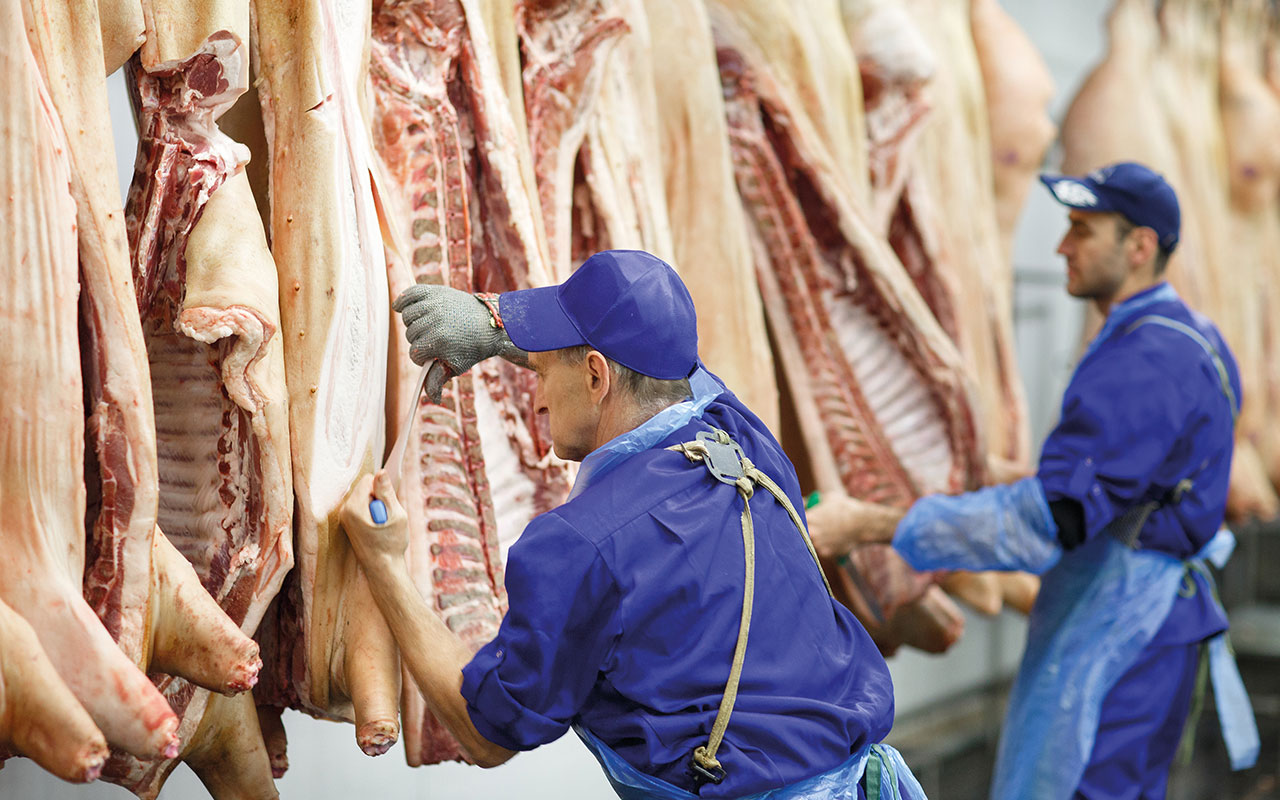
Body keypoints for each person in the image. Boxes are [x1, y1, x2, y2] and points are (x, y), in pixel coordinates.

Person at [339, 250, 927, 799]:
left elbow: (487, 734)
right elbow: (659, 360)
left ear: (596, 377)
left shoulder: (579, 546)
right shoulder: (741, 434)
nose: (538, 400)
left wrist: (386, 564)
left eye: (544, 375)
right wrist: (496, 331)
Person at [806, 162, 1260, 800]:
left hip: (1123, 638)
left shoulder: (1146, 358)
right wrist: (989, 477)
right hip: (1147, 624)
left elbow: (1048, 520)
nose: (1060, 247)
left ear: (1140, 247)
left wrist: (871, 524)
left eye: (1082, 230)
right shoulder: (1185, 336)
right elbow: (1125, 487)